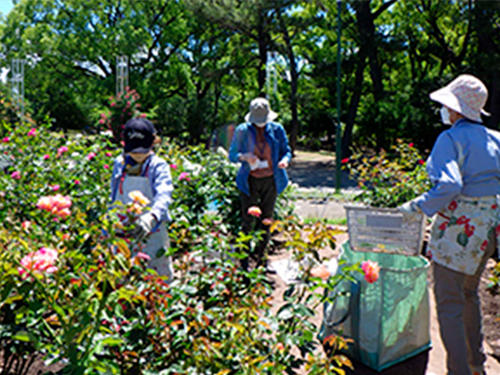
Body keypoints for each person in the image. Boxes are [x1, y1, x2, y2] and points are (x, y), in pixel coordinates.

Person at [399, 74, 500, 375]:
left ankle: (458, 371)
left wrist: (414, 208)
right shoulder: (496, 138)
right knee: (469, 295)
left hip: (459, 233)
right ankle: (476, 365)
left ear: (455, 109)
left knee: (449, 304)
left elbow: (449, 185)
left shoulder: (450, 139)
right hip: (487, 232)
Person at [229, 97, 292, 271]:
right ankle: (243, 262)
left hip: (271, 180)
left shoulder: (277, 130)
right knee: (247, 221)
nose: (260, 125)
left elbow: (287, 151)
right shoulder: (242, 130)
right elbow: (232, 154)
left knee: (267, 221)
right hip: (249, 181)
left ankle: (262, 261)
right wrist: (245, 156)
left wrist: (284, 161)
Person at [110, 118, 174, 280]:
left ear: (153, 143)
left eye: (142, 150)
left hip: (152, 229)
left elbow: (164, 193)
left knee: (155, 276)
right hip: (123, 226)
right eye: (133, 150)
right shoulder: (120, 163)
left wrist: (152, 216)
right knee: (122, 273)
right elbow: (114, 194)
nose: (137, 155)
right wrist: (110, 221)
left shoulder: (158, 166)